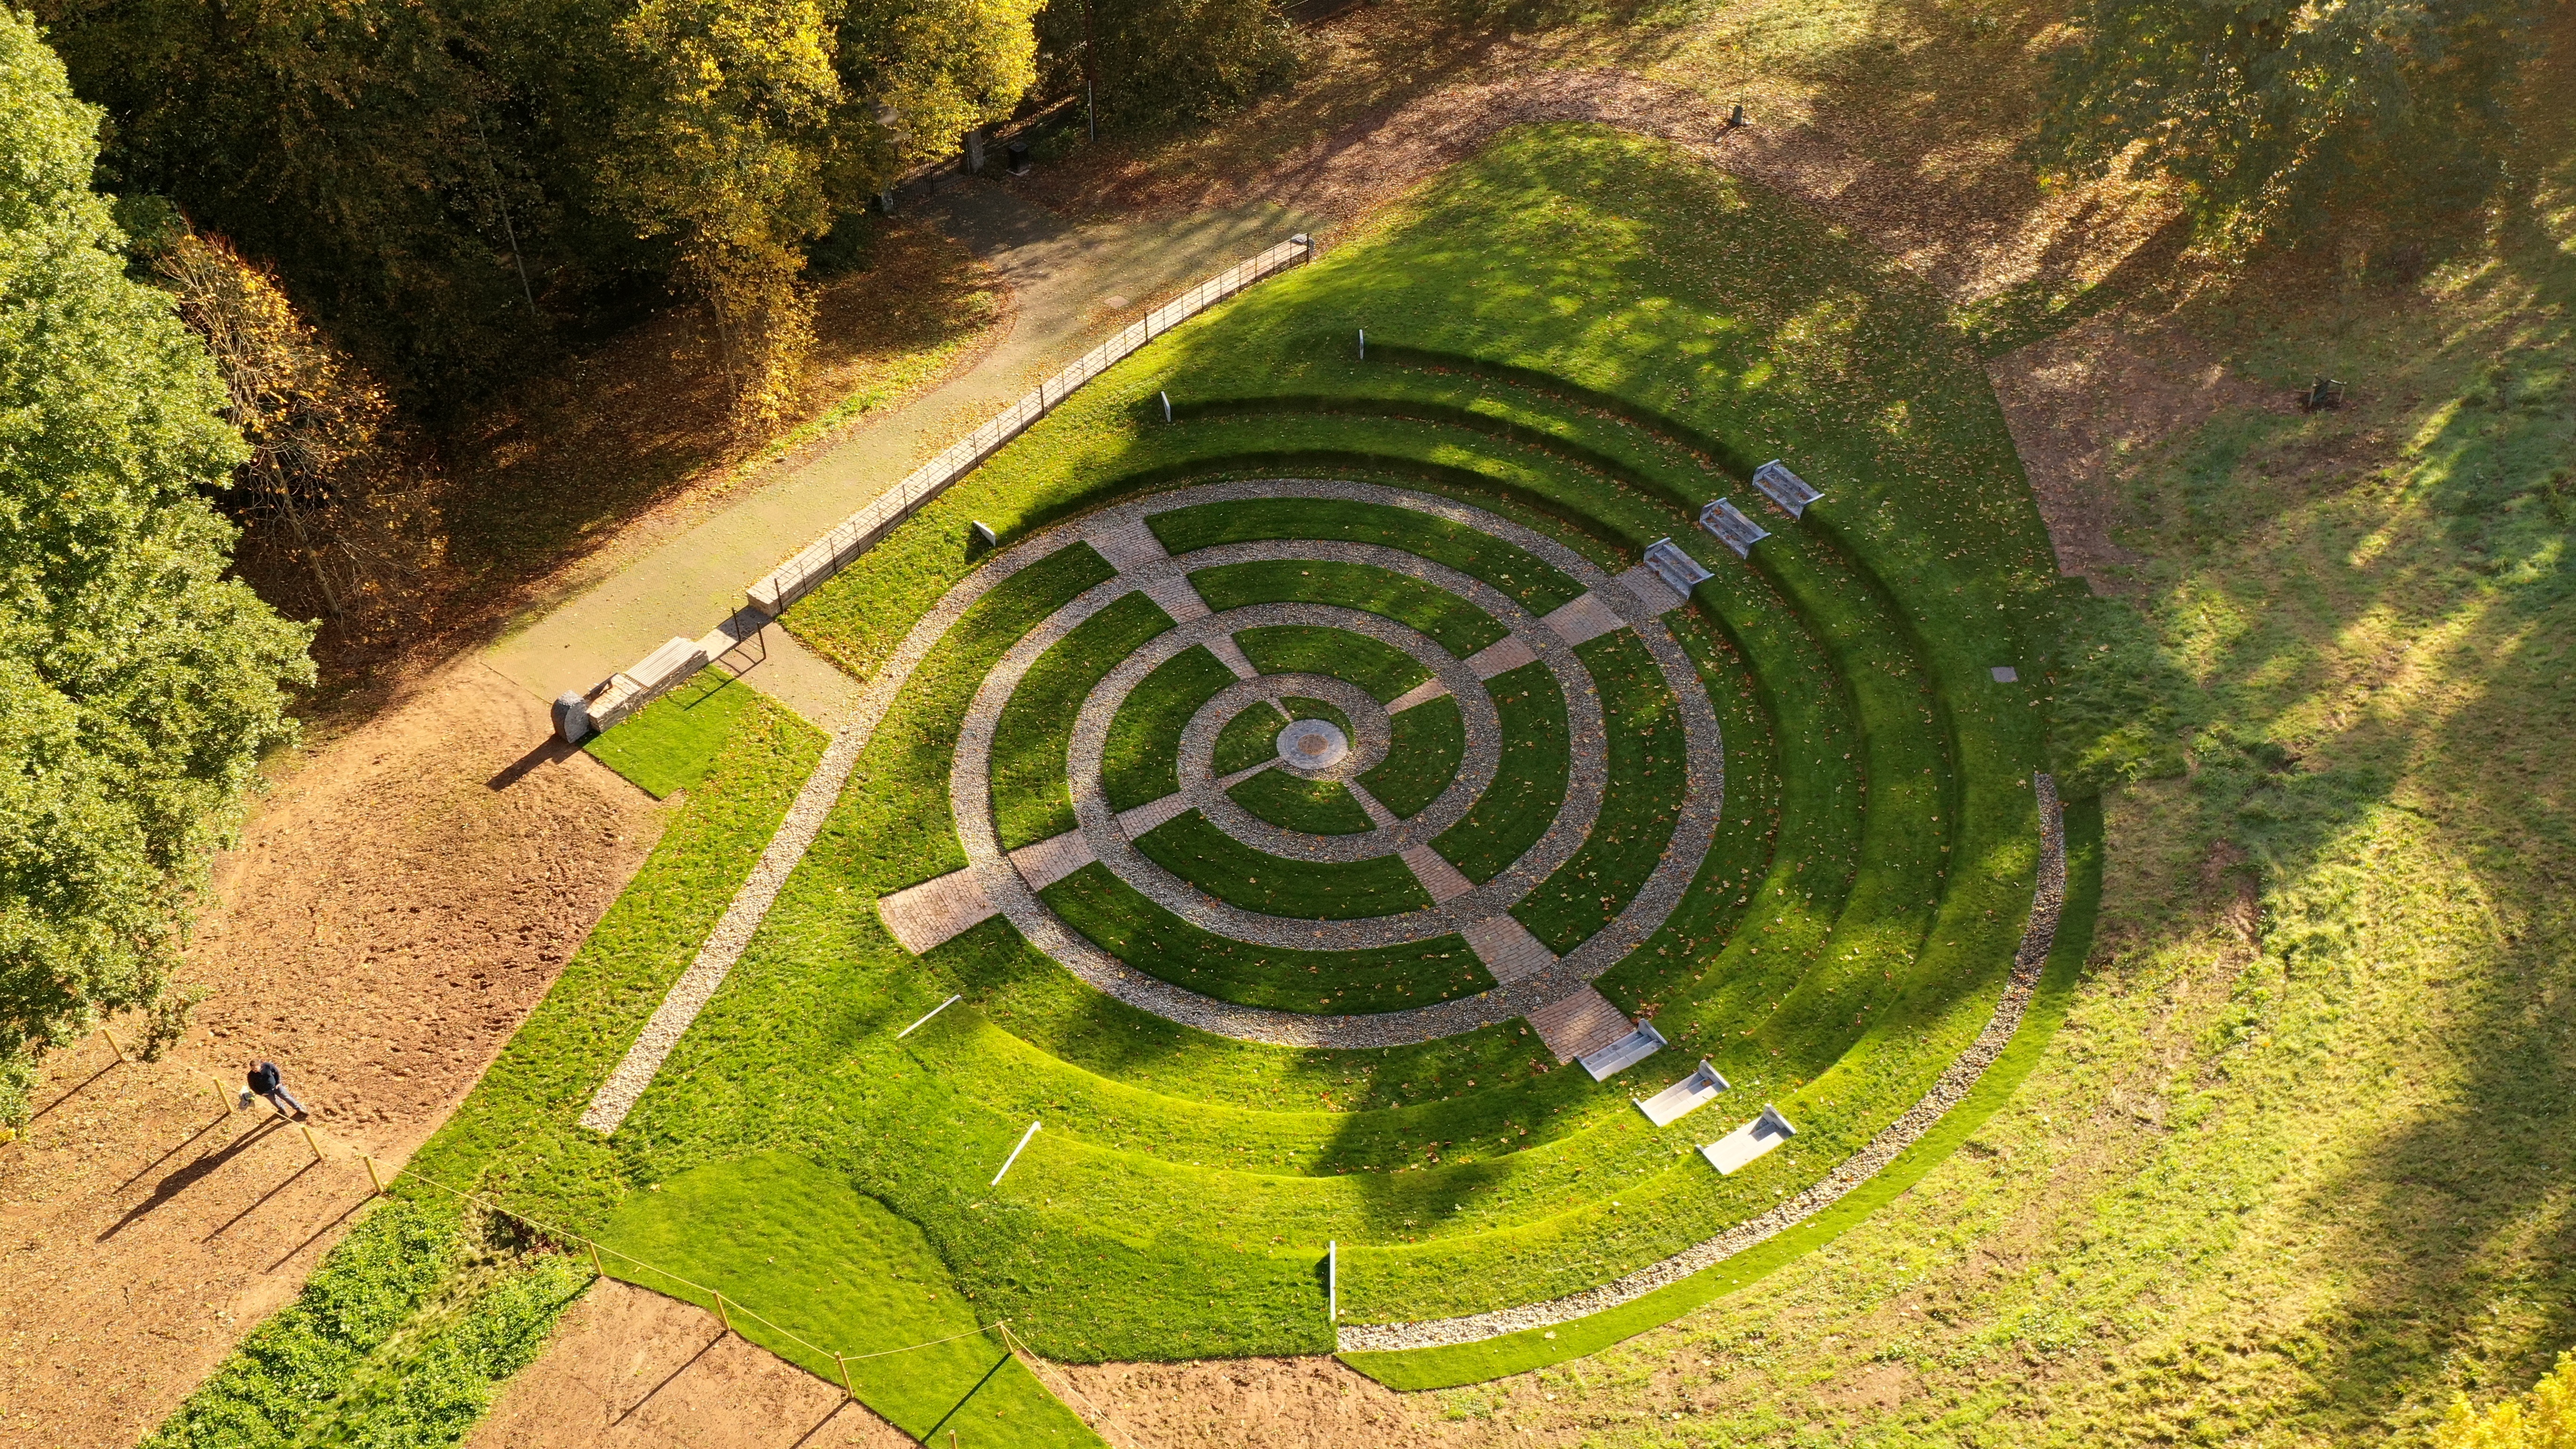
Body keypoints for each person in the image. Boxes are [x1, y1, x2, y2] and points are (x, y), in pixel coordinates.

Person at [245, 1060, 309, 1121]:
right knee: (275, 1101)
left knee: (287, 1097)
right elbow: (253, 1086)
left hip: (277, 1087)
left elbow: (276, 1072)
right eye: (252, 1069)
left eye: (255, 1068)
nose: (254, 1070)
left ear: (260, 1065)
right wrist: (261, 1093)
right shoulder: (251, 1076)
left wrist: (278, 1083)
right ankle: (283, 1111)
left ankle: (299, 1109)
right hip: (267, 1092)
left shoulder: (268, 1066)